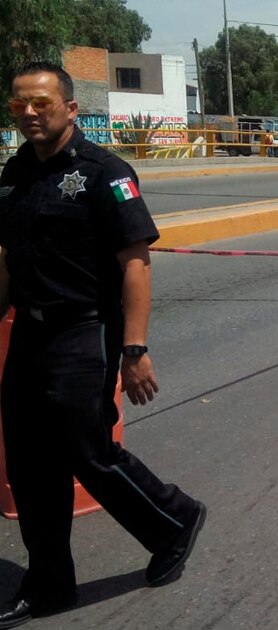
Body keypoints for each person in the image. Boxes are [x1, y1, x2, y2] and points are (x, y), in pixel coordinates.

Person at [0, 62, 206, 628]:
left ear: (70, 108)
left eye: (42, 102)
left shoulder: (103, 172)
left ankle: (175, 519)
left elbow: (135, 264)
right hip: (30, 333)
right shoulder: (14, 174)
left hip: (82, 329)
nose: (29, 112)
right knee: (29, 461)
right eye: (20, 103)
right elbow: (8, 262)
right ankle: (49, 583)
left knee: (88, 453)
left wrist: (134, 351)